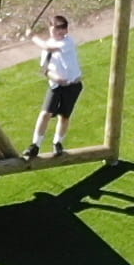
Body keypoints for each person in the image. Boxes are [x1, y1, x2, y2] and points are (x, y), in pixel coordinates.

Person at [32, 12, 86, 157]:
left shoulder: (67, 42)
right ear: (50, 29)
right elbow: (45, 70)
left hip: (73, 86)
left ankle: (58, 143)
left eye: (62, 27)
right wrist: (56, 78)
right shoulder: (48, 48)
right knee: (45, 114)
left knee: (64, 116)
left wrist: (31, 36)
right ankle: (35, 145)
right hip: (56, 87)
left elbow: (48, 47)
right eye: (56, 28)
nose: (59, 31)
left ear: (66, 30)